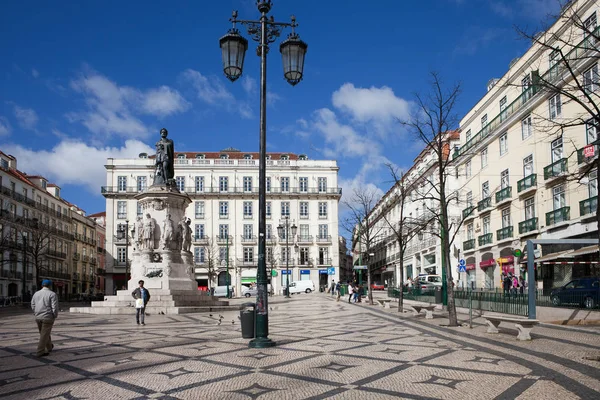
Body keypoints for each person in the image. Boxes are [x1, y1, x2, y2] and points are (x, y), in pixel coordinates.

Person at [31, 279, 59, 357]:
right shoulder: (52, 294)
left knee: (44, 333)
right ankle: (40, 351)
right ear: (50, 286)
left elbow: (32, 304)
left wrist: (35, 312)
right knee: (44, 334)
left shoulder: (36, 294)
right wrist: (55, 315)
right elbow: (54, 307)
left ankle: (49, 347)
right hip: (47, 316)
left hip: (38, 316)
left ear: (42, 285)